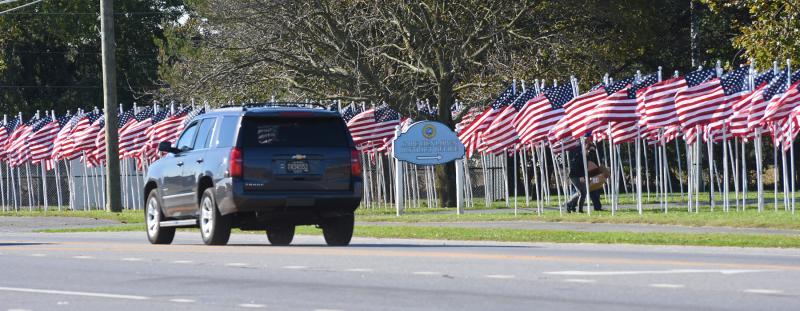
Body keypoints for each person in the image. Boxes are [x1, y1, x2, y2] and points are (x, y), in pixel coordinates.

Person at [565, 141, 603, 213]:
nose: (590, 152)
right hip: (575, 176)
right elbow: (576, 167)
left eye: (591, 151)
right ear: (585, 149)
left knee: (583, 193)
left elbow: (591, 164)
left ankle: (578, 209)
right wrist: (581, 176)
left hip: (582, 175)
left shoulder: (588, 156)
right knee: (582, 193)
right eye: (589, 150)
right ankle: (570, 204)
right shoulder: (579, 156)